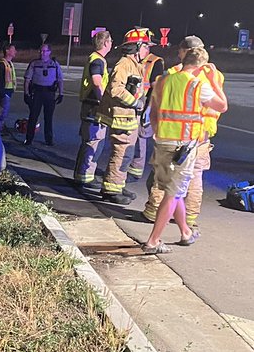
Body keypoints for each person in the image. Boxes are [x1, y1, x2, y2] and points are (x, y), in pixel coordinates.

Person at [141, 45, 227, 253]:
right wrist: (214, 80)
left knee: (174, 190)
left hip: (162, 142)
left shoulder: (163, 80)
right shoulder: (198, 85)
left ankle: (185, 232)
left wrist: (159, 132)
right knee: (172, 193)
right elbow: (222, 106)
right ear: (200, 66)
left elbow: (153, 113)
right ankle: (153, 241)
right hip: (183, 147)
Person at [96, 28, 149, 204]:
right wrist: (135, 103)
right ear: (137, 47)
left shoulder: (135, 65)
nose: (147, 50)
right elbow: (116, 89)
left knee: (127, 153)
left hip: (129, 117)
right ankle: (111, 190)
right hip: (122, 117)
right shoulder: (124, 64)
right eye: (145, 46)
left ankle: (118, 184)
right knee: (121, 152)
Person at [73, 28, 112, 187]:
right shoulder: (98, 60)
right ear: (105, 43)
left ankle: (81, 175)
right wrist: (104, 102)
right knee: (93, 142)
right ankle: (86, 177)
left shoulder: (94, 58)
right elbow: (96, 82)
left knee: (89, 142)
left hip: (89, 107)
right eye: (110, 41)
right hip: (93, 108)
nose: (112, 44)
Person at [127, 33, 165, 181]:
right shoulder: (136, 61)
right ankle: (129, 168)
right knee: (132, 138)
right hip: (134, 104)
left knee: (140, 139)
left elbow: (156, 88)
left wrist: (149, 109)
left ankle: (135, 171)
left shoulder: (155, 62)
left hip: (145, 105)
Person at [23, 43, 63, 146]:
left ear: (49, 52)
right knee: (33, 117)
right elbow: (27, 80)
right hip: (37, 93)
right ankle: (29, 139)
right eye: (41, 51)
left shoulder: (54, 64)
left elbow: (60, 80)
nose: (42, 53)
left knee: (48, 118)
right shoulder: (34, 63)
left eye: (45, 51)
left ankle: (49, 140)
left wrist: (61, 93)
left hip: (49, 93)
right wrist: (26, 93)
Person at [0, 45, 16, 128]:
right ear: (7, 51)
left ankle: (0, 128)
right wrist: (3, 95)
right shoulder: (2, 65)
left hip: (7, 93)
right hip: (2, 94)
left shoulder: (9, 63)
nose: (15, 52)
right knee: (1, 114)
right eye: (13, 50)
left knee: (3, 114)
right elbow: (0, 81)